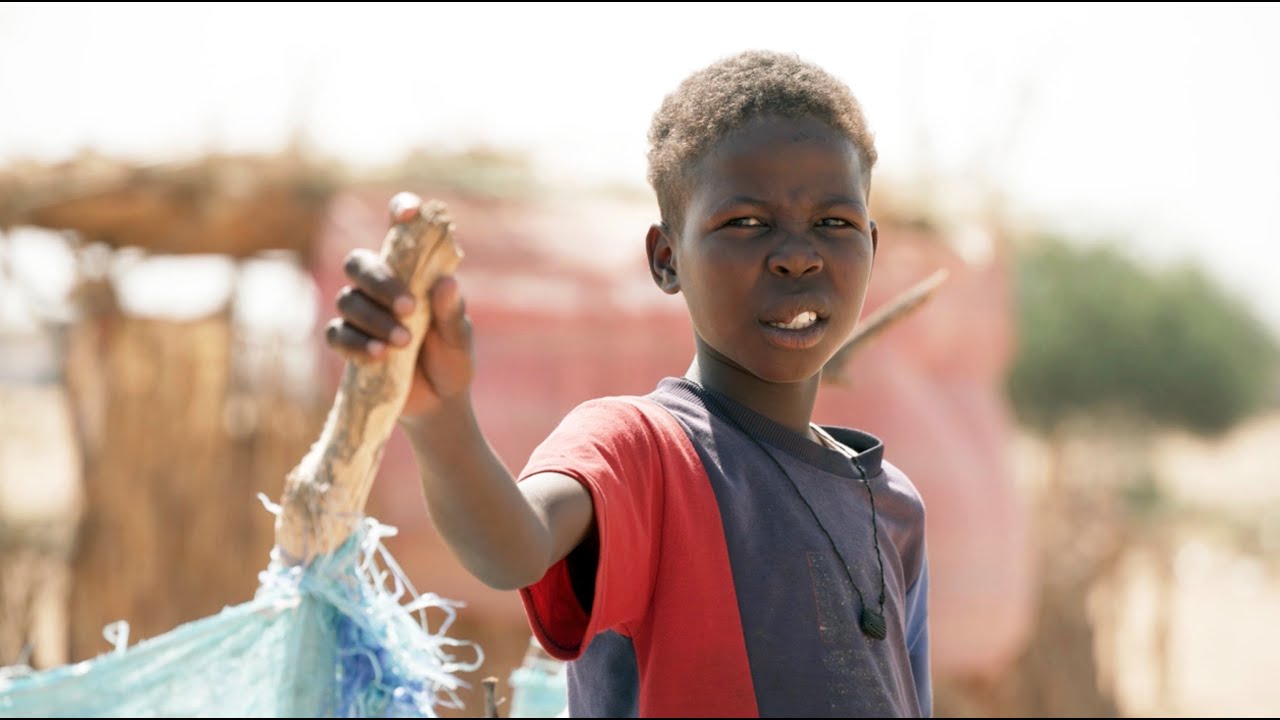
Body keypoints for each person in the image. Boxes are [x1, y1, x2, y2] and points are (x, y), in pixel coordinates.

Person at [326, 49, 931, 718]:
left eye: (833, 223)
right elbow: (514, 547)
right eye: (746, 223)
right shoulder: (644, 450)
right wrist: (440, 420)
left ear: (871, 248)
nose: (796, 253)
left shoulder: (891, 504)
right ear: (667, 259)